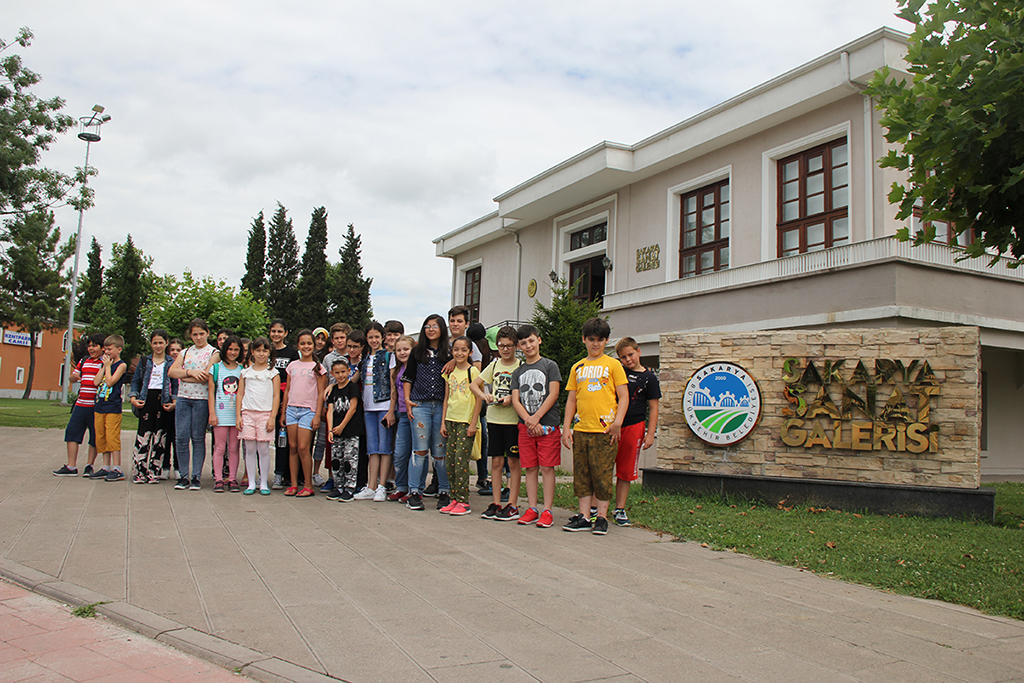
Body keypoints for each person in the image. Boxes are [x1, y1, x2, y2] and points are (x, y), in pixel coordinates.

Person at [561, 317, 629, 535]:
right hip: (581, 430)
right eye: (591, 339)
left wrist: (617, 423)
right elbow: (571, 399)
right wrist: (566, 428)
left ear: (606, 341)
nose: (595, 344)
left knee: (602, 474)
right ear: (584, 339)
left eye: (600, 340)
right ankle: (583, 516)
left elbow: (624, 396)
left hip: (605, 431)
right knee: (582, 474)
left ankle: (601, 517)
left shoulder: (613, 365)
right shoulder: (577, 367)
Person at [510, 324, 562, 528]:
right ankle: (532, 508)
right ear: (519, 347)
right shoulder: (518, 372)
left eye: (531, 340)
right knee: (530, 468)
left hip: (547, 426)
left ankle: (547, 510)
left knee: (547, 468)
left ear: (538, 340)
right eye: (523, 343)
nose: (528, 345)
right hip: (526, 428)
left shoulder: (550, 366)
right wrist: (528, 421)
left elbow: (553, 393)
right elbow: (516, 400)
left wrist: (537, 418)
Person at [472, 326, 522, 520]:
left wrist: (512, 397)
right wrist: (485, 396)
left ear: (516, 346)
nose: (505, 350)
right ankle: (496, 503)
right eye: (501, 346)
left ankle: (513, 504)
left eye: (509, 346)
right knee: (496, 462)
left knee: (513, 461)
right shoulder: (493, 365)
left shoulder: (520, 366)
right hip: (494, 419)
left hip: (512, 421)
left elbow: (523, 392)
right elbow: (474, 384)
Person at [402, 315, 451, 511]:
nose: (431, 329)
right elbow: (408, 377)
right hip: (419, 405)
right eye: (427, 326)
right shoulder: (417, 352)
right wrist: (407, 400)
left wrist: (454, 361)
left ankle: (445, 491)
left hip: (441, 406)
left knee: (440, 451)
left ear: (441, 329)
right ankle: (414, 492)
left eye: (435, 326)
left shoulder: (448, 352)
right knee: (420, 450)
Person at [613, 337, 661, 527]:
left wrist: (650, 434)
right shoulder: (618, 372)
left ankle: (620, 509)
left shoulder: (649, 378)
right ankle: (595, 507)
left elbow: (654, 407)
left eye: (631, 354)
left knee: (625, 470)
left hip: (634, 426)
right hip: (611, 425)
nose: (628, 360)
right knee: (603, 466)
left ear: (639, 351)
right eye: (623, 357)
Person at [169, 318, 220, 491]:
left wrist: (183, 376)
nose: (198, 337)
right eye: (195, 334)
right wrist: (189, 372)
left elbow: (207, 376)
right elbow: (172, 371)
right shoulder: (185, 352)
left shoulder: (214, 352)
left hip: (202, 400)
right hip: (183, 398)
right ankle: (184, 476)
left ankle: (196, 476)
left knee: (198, 438)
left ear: (207, 333)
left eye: (201, 333)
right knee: (181, 437)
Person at [439, 336, 482, 516]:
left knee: (460, 462)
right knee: (449, 462)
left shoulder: (473, 372)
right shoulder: (449, 372)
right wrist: (443, 422)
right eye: (456, 349)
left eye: (464, 350)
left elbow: (479, 398)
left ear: (470, 352)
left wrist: (473, 423)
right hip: (451, 421)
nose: (459, 353)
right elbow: (447, 398)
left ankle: (464, 501)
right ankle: (454, 498)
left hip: (466, 422)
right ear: (452, 351)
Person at [128, 329, 177, 484]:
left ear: (166, 343)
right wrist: (133, 397)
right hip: (146, 399)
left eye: (161, 342)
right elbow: (136, 381)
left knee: (160, 436)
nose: (158, 346)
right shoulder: (145, 362)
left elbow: (175, 384)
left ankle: (154, 470)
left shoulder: (171, 363)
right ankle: (139, 471)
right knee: (144, 435)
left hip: (163, 400)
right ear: (151, 344)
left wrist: (174, 402)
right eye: (155, 343)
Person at [53, 333, 106, 477]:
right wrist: (73, 377)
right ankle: (71, 466)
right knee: (71, 433)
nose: (91, 348)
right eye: (89, 345)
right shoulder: (83, 361)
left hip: (95, 406)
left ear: (102, 348)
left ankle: (90, 465)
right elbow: (72, 378)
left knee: (94, 437)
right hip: (80, 404)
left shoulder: (104, 363)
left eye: (94, 345)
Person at [282, 329, 327, 497]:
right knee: (292, 447)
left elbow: (321, 393)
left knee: (303, 447)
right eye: (303, 343)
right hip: (291, 410)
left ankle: (308, 485)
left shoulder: (318, 368)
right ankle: (294, 484)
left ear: (314, 345)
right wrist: (283, 412)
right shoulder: (292, 366)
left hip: (308, 412)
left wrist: (317, 415)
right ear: (298, 345)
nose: (306, 346)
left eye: (309, 343)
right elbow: (287, 390)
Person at [353, 322, 395, 501]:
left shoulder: (388, 357)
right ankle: (371, 486)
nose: (374, 340)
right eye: (370, 337)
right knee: (372, 449)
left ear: (382, 338)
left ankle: (382, 486)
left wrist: (391, 410)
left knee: (384, 448)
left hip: (384, 407)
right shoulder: (364, 360)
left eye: (377, 337)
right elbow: (353, 380)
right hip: (368, 408)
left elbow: (393, 385)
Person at [237, 337, 279, 495]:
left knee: (263, 449)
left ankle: (263, 482)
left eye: (265, 350)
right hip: (247, 413)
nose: (261, 354)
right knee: (249, 449)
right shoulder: (245, 372)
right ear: (252, 352)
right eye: (258, 350)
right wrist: (238, 416)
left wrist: (272, 417)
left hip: (265, 414)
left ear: (269, 352)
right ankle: (251, 483)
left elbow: (276, 396)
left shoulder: (272, 373)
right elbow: (240, 394)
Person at [317, 322, 351, 494]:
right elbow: (326, 382)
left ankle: (349, 478)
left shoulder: (352, 355)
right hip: (333, 405)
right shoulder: (328, 358)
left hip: (349, 405)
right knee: (331, 444)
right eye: (336, 338)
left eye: (342, 337)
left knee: (349, 445)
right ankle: (332, 477)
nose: (339, 341)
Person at [90, 334, 129, 481]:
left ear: (119, 349)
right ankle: (105, 467)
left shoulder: (121, 365)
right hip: (100, 405)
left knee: (112, 437)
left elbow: (111, 382)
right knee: (101, 437)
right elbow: (96, 382)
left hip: (112, 406)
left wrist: (107, 367)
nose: (106, 352)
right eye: (105, 349)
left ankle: (117, 468)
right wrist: (104, 366)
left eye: (110, 349)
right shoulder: (105, 365)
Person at [325, 358, 363, 502]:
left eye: (343, 372)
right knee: (337, 460)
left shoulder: (352, 387)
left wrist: (342, 426)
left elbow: (353, 408)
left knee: (350, 460)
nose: (340, 375)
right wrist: (330, 430)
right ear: (332, 373)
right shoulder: (333, 389)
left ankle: (349, 487)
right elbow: (330, 410)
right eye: (337, 373)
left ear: (348, 371)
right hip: (336, 432)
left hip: (351, 430)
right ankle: (338, 486)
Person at [209, 335, 243, 492]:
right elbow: (211, 393)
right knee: (219, 448)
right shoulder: (216, 368)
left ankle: (232, 478)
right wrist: (212, 414)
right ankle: (218, 479)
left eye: (236, 349)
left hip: (235, 415)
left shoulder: (242, 370)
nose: (233, 352)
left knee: (234, 448)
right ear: (224, 349)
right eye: (230, 349)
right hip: (220, 414)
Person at [269, 319, 299, 489]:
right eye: (273, 331)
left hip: (284, 400)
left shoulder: (292, 353)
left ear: (286, 333)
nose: (276, 334)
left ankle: (282, 474)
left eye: (280, 331)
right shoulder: (265, 350)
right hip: (265, 399)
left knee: (282, 440)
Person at [387, 335, 415, 502]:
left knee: (416, 454)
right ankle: (401, 487)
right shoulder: (397, 370)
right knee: (400, 453)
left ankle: (413, 489)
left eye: (406, 349)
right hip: (402, 414)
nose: (402, 352)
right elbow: (394, 392)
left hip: (416, 413)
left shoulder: (416, 368)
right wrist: (392, 411)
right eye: (399, 350)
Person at [164, 338, 184, 479]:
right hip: (167, 405)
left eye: (178, 350)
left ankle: (178, 467)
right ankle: (165, 466)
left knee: (179, 438)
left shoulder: (185, 366)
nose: (175, 352)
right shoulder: (165, 367)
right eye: (172, 350)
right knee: (166, 438)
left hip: (181, 404)